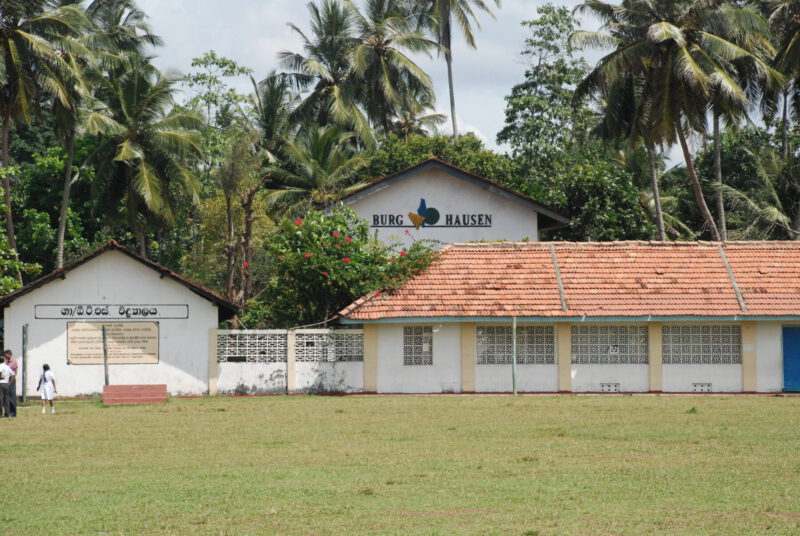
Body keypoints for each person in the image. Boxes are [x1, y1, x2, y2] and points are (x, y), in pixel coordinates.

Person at [3, 351, 17, 417]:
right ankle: (8, 412)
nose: (4, 356)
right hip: (6, 380)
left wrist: (10, 383)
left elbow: (8, 370)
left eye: (5, 355)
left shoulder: (13, 361)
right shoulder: (6, 361)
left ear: (9, 354)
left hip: (11, 380)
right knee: (6, 397)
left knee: (12, 397)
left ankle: (13, 412)